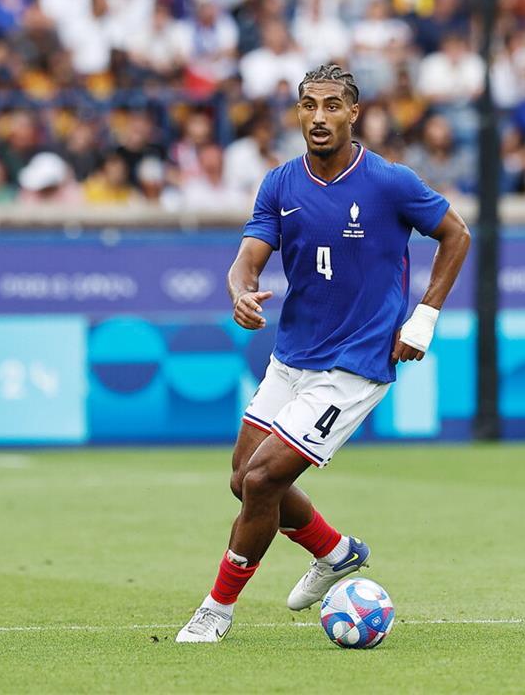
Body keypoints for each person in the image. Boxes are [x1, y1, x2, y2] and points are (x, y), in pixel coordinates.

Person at [175, 64, 471, 643]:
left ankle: (217, 608)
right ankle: (336, 552)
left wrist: (425, 317)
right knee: (243, 479)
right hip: (293, 357)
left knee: (262, 482)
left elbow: (457, 234)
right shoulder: (280, 183)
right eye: (309, 105)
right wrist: (240, 293)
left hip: (355, 365)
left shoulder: (389, 182)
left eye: (332, 106)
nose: (318, 117)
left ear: (353, 114)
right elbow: (248, 259)